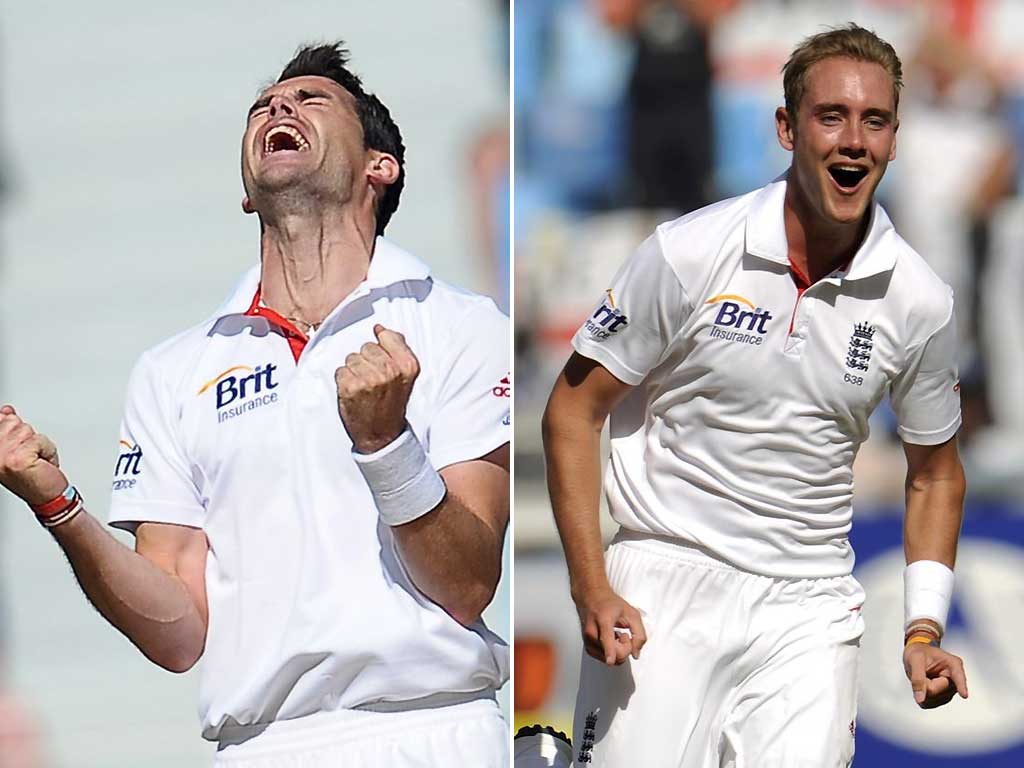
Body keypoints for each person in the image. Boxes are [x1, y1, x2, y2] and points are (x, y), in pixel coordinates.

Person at [0, 42, 510, 767]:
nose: (278, 107)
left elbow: (466, 584)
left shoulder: (460, 325)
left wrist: (386, 444)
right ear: (247, 190)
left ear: (379, 167)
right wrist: (57, 504)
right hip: (262, 746)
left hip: (435, 729)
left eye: (310, 101)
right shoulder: (174, 370)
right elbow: (177, 633)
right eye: (264, 106)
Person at [542, 24, 968, 767]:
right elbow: (573, 409)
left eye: (874, 121)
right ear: (786, 128)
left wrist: (923, 630)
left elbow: (936, 471)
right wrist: (590, 585)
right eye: (830, 116)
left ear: (895, 140)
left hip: (810, 605)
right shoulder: (691, 251)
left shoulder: (921, 301)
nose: (853, 142)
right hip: (664, 586)